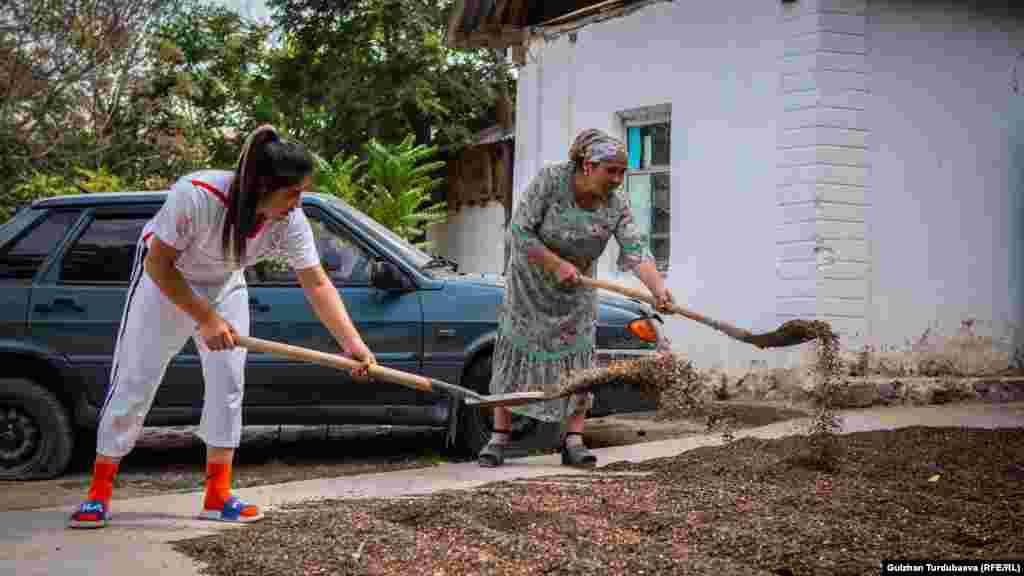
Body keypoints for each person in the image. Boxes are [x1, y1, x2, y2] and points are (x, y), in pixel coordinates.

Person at [68, 125, 377, 529]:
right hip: (166, 284)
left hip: (227, 283)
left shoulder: (289, 219)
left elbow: (316, 282)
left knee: (228, 386)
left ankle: (217, 496)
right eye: (292, 193)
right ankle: (98, 494)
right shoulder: (196, 195)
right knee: (135, 380)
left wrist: (352, 343)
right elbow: (158, 265)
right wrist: (206, 319)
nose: (298, 202)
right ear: (262, 186)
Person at [479, 128, 674, 469]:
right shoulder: (550, 182)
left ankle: (573, 441)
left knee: (580, 363)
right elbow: (519, 231)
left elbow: (635, 250)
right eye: (610, 171)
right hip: (531, 286)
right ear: (587, 165)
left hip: (577, 292)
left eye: (622, 172)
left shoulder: (617, 204)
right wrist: (555, 264)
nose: (617, 179)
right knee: (515, 353)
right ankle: (499, 437)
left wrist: (657, 289)